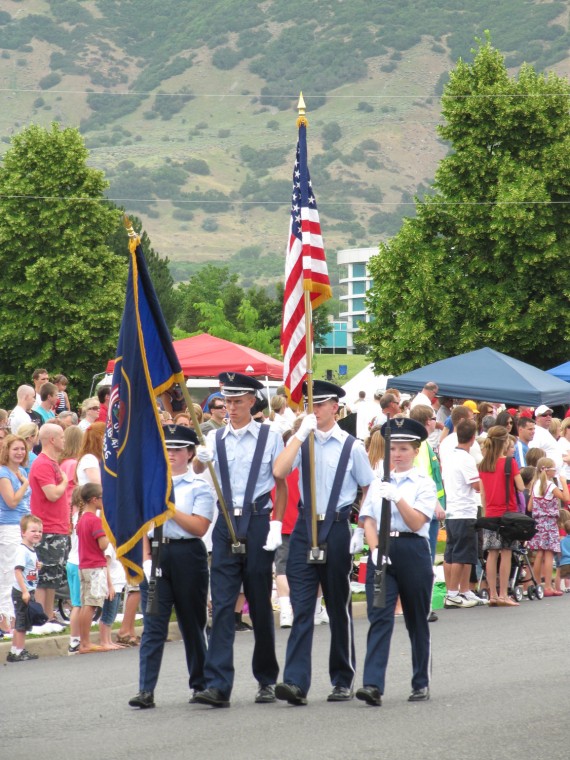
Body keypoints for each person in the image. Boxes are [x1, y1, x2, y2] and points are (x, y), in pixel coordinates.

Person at [273, 380, 374, 707]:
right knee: (302, 608)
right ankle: (295, 682)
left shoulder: (352, 446)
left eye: (321, 404)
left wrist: (360, 526)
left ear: (335, 408)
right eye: (310, 405)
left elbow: (368, 487)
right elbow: (279, 471)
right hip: (304, 527)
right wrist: (300, 433)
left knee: (337, 605)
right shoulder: (302, 442)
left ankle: (342, 679)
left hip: (336, 526)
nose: (314, 410)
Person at [192, 372, 287, 708]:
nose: (230, 407)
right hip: (225, 522)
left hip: (259, 519)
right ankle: (219, 684)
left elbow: (282, 480)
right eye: (226, 401)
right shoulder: (215, 439)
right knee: (221, 604)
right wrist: (198, 461)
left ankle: (266, 680)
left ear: (252, 401)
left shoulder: (271, 436)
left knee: (259, 603)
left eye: (236, 401)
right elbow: (200, 471)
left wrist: (277, 523)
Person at [129, 425, 215, 709]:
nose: (171, 454)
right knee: (153, 624)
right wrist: (145, 555)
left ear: (190, 453)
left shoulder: (200, 485)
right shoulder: (151, 483)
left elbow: (199, 527)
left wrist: (170, 509)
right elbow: (143, 524)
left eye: (178, 449)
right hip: (157, 553)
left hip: (188, 554)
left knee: (192, 623)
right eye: (167, 449)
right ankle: (145, 689)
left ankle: (200, 684)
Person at [355, 417, 437, 707]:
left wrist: (399, 498)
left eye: (403, 448)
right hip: (383, 549)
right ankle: (372, 684)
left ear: (415, 451)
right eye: (393, 449)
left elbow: (416, 523)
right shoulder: (378, 482)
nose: (397, 454)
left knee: (416, 619)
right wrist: (374, 548)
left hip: (412, 550)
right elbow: (367, 518)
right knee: (379, 617)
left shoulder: (424, 484)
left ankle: (420, 682)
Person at [478, 426, 524, 607]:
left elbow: (482, 494)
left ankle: (493, 595)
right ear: (504, 442)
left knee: (491, 553)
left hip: (490, 513)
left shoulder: (483, 464)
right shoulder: (509, 463)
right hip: (507, 513)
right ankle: (504, 594)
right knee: (506, 553)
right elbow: (520, 487)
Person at [29, 423, 69, 626]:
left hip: (58, 527)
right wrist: (65, 481)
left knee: (52, 576)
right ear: (52, 439)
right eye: (61, 436)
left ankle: (49, 615)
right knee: (44, 577)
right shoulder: (44, 464)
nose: (64, 439)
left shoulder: (53, 463)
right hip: (48, 529)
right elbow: (52, 494)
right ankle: (40, 617)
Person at [441, 419, 483, 608]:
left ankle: (464, 590)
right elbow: (476, 486)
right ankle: (452, 593)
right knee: (459, 554)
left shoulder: (450, 456)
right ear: (473, 439)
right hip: (463, 511)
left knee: (458, 554)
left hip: (453, 510)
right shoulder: (466, 459)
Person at [0, 435, 31, 635]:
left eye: (22, 449)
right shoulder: (4, 473)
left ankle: (15, 617)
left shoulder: (20, 472)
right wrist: (26, 485)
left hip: (21, 526)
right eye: (15, 449)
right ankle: (5, 619)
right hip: (9, 527)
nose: (19, 452)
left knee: (20, 574)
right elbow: (11, 501)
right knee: (8, 574)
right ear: (7, 451)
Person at [76, 482, 111, 654]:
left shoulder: (82, 519)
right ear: (94, 499)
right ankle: (86, 642)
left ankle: (83, 642)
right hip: (95, 566)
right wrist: (110, 535)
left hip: (84, 565)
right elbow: (103, 545)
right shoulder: (95, 521)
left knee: (85, 604)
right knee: (91, 605)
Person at [527, 458, 569, 597]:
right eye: (553, 469)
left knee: (539, 553)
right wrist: (563, 482)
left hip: (538, 522)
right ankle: (548, 586)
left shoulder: (535, 485)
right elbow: (566, 498)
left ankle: (537, 584)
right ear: (548, 470)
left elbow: (530, 506)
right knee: (549, 554)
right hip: (549, 523)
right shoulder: (550, 485)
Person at [7, 514, 43, 662]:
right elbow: (18, 571)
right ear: (23, 532)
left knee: (21, 622)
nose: (37, 534)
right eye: (33, 531)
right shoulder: (22, 550)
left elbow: (29, 569)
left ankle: (14, 651)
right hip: (23, 591)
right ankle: (19, 652)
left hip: (27, 590)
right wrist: (24, 591)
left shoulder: (31, 550)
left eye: (40, 531)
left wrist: (37, 567)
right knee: (22, 624)